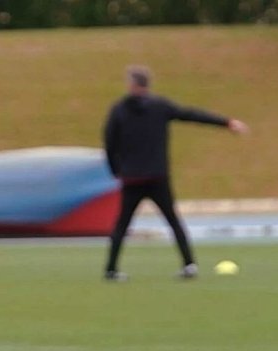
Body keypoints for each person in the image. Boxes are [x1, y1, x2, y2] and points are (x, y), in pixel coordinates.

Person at [102, 65, 248, 281]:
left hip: (132, 178)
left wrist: (116, 170)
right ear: (147, 85)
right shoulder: (160, 106)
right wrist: (226, 123)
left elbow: (109, 142)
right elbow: (191, 115)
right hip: (157, 176)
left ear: (131, 84)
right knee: (173, 220)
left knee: (122, 224)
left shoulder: (119, 110)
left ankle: (111, 269)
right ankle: (189, 264)